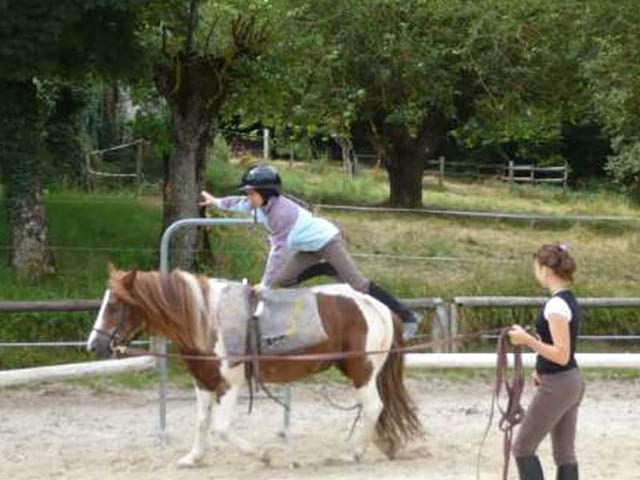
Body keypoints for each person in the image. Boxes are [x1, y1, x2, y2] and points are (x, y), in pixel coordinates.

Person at [199, 164, 422, 338]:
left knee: (358, 285)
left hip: (327, 241)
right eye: (248, 193)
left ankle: (408, 316)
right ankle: (325, 268)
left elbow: (278, 251)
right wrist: (216, 202)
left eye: (251, 193)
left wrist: (265, 283)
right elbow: (238, 203)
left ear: (265, 193)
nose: (248, 197)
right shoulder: (259, 203)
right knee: (283, 281)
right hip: (309, 248)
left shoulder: (280, 214)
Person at [508, 244, 585, 480]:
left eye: (536, 267)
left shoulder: (556, 306)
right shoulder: (568, 300)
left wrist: (526, 340)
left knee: (522, 447)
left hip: (558, 384)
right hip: (569, 381)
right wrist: (539, 366)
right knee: (564, 453)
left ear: (545, 270)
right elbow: (559, 350)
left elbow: (561, 354)